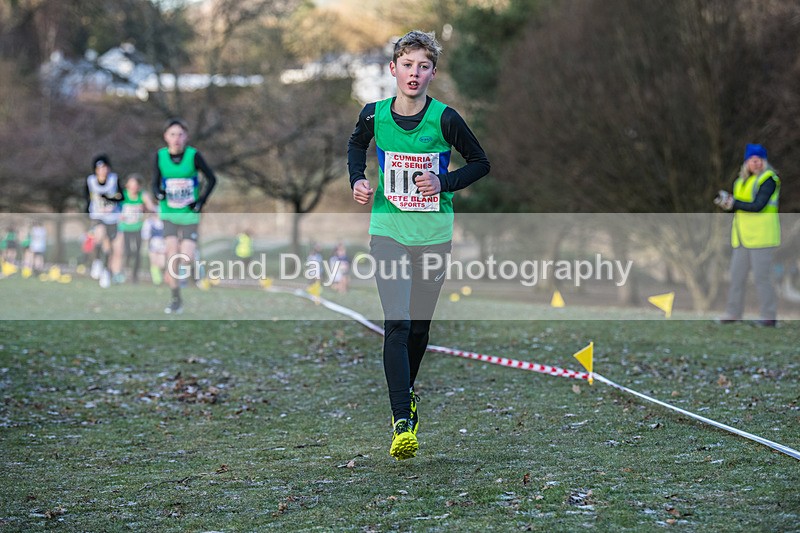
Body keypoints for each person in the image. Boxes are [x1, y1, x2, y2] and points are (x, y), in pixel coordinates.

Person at [347, 30, 490, 460]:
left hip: (433, 236)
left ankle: (406, 392)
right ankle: (401, 422)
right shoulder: (374, 115)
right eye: (407, 65)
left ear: (432, 73)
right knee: (398, 321)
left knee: (420, 328)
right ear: (393, 69)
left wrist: (443, 181)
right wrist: (357, 179)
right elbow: (356, 144)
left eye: (423, 66)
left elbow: (481, 163)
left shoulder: (446, 119)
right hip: (388, 231)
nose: (414, 73)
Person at [152, 118, 217, 313]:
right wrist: (158, 193)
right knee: (172, 255)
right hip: (169, 213)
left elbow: (212, 179)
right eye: (172, 134)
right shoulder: (160, 156)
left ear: (186, 137)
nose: (176, 138)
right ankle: (175, 299)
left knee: (186, 257)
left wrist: (201, 201)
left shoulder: (193, 156)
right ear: (166, 137)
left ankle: (192, 268)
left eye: (180, 134)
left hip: (189, 215)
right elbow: (154, 182)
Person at [715, 143, 780, 327]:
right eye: (752, 160)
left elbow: (758, 205)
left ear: (764, 162)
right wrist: (727, 204)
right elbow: (740, 208)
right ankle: (733, 313)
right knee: (736, 277)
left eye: (759, 160)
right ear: (746, 162)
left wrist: (734, 203)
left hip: (762, 237)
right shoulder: (740, 182)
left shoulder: (769, 179)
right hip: (742, 237)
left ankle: (768, 316)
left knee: (762, 278)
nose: (756, 163)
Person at [85, 154, 122, 288]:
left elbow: (120, 196)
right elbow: (86, 198)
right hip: (97, 216)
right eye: (100, 168)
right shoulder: (91, 181)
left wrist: (109, 198)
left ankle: (106, 271)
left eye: (105, 168)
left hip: (112, 217)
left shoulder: (114, 180)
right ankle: (97, 262)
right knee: (99, 235)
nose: (102, 171)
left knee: (108, 246)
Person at [118, 173, 156, 283]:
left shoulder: (142, 195)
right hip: (125, 228)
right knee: (127, 251)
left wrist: (144, 209)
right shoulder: (123, 195)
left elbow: (152, 208)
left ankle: (135, 276)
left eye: (135, 185)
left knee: (137, 252)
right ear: (127, 185)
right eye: (131, 184)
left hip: (138, 227)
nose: (133, 187)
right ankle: (124, 271)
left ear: (139, 186)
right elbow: (115, 207)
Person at [141, 213, 166, 285]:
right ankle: (157, 280)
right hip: (153, 243)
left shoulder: (164, 221)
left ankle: (163, 277)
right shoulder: (149, 222)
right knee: (154, 262)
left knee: (162, 263)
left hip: (163, 244)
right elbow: (145, 235)